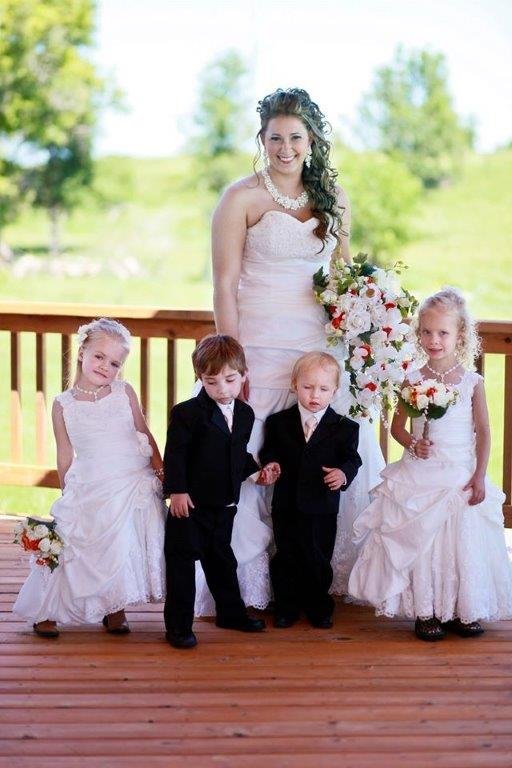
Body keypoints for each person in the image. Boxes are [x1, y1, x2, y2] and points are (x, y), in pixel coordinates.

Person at [195, 87, 384, 615]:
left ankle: (321, 577)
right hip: (257, 342)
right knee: (252, 456)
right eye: (275, 137)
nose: (285, 147)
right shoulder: (240, 198)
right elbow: (224, 283)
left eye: (295, 137)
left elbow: (347, 279)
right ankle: (253, 582)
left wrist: (367, 329)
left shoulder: (335, 199)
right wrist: (233, 359)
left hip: (317, 347)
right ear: (262, 139)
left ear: (312, 140)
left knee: (324, 452)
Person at [348, 287, 512, 640]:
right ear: (417, 332)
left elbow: (483, 432)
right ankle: (426, 611)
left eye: (442, 333)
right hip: (422, 475)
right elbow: (396, 428)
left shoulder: (472, 382)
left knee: (460, 542)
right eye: (426, 331)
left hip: (460, 473)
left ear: (460, 336)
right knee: (424, 540)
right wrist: (413, 444)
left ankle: (460, 610)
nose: (433, 340)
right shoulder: (411, 378)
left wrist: (480, 476)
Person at [13, 319, 166, 637]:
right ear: (82, 352)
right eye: (99, 357)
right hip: (91, 482)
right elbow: (65, 453)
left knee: (120, 544)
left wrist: (160, 468)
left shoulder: (123, 392)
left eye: (114, 363)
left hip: (129, 478)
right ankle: (47, 610)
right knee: (75, 545)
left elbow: (143, 431)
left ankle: (114, 608)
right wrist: (66, 490)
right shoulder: (63, 404)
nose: (105, 367)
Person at [163, 334, 275, 649]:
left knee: (222, 561)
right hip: (191, 506)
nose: (221, 389)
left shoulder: (245, 415)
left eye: (229, 380)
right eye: (211, 382)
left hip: (225, 504)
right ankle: (178, 626)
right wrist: (178, 491)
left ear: (243, 376)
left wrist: (257, 473)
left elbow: (237, 455)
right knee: (182, 564)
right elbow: (176, 455)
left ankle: (231, 613)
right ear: (200, 379)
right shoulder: (187, 413)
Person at [259, 352, 362, 628]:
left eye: (323, 389)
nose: (314, 394)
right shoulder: (278, 423)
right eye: (307, 387)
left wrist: (342, 474)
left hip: (322, 506)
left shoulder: (345, 428)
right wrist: (270, 466)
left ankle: (318, 605)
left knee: (318, 556)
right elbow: (269, 452)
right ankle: (286, 606)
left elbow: (353, 459)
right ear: (294, 384)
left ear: (335, 391)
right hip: (287, 504)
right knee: (286, 555)